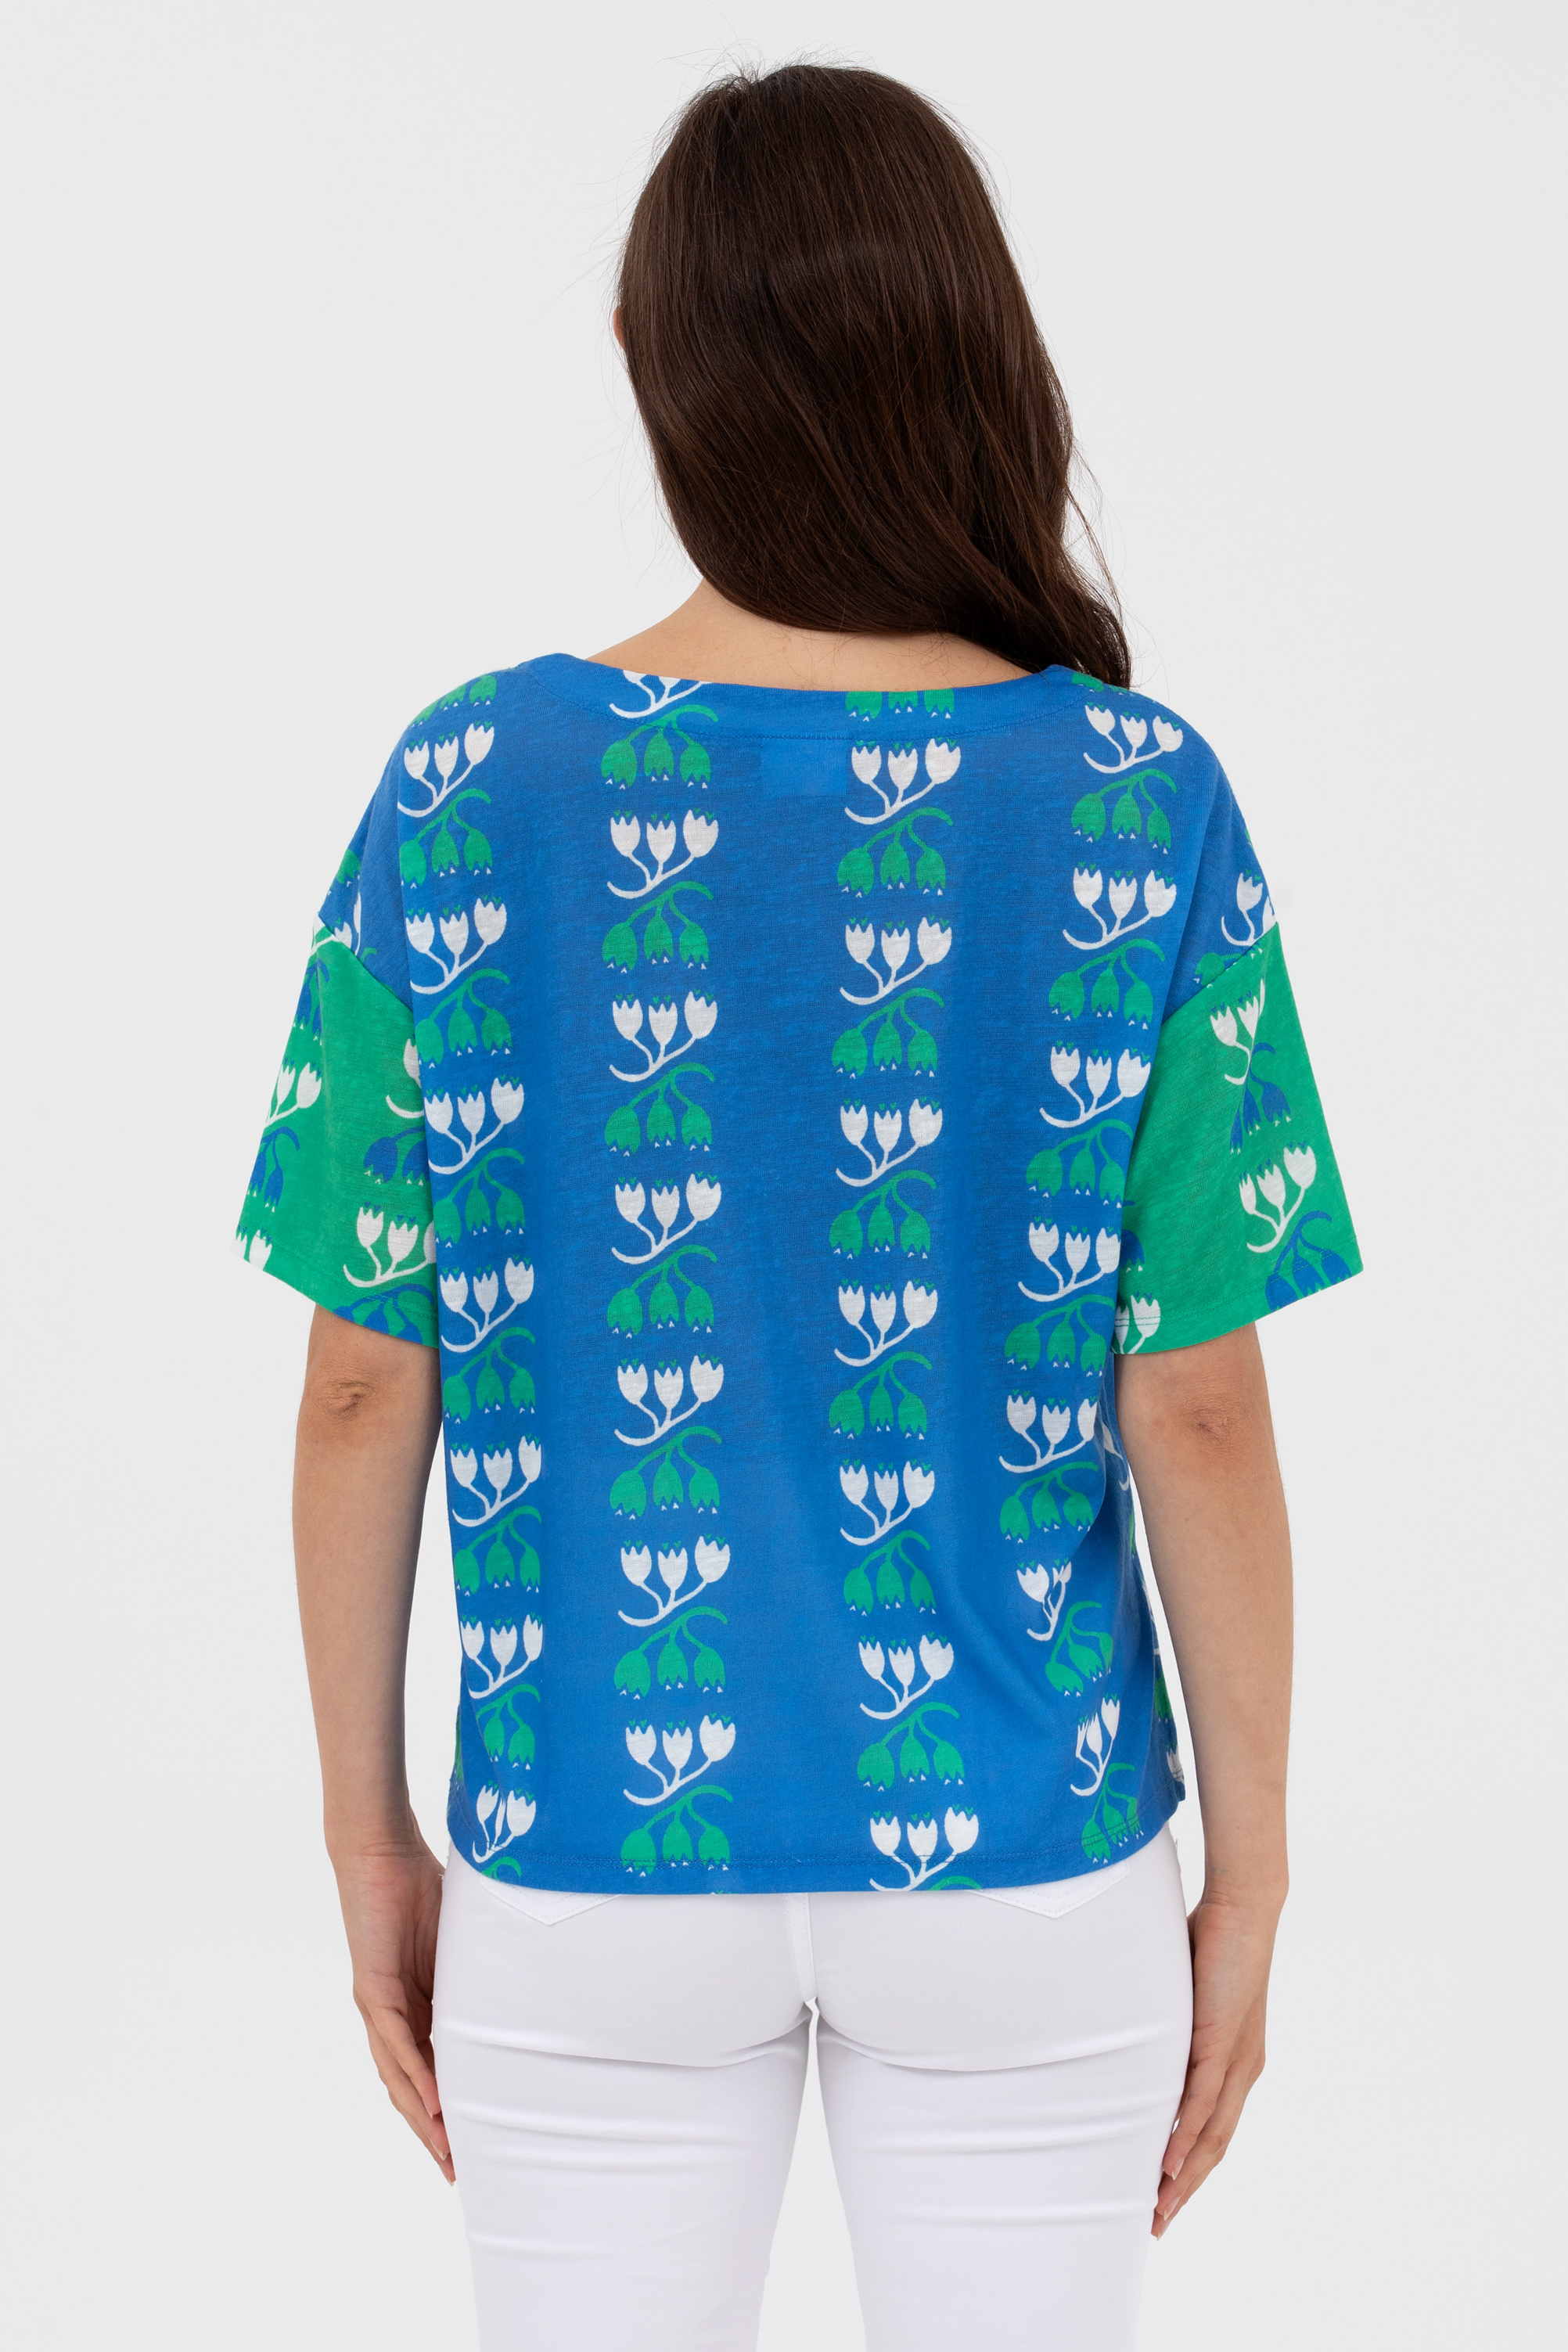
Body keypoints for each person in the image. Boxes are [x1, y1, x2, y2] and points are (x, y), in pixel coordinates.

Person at [239, 62, 1360, 2352]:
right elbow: (1196, 1409)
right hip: (1022, 1847)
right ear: (972, 352)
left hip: (589, 1844)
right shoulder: (1133, 797)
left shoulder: (467, 784)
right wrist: (1247, 1875)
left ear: (651, 368)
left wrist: (370, 1838)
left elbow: (363, 1385)